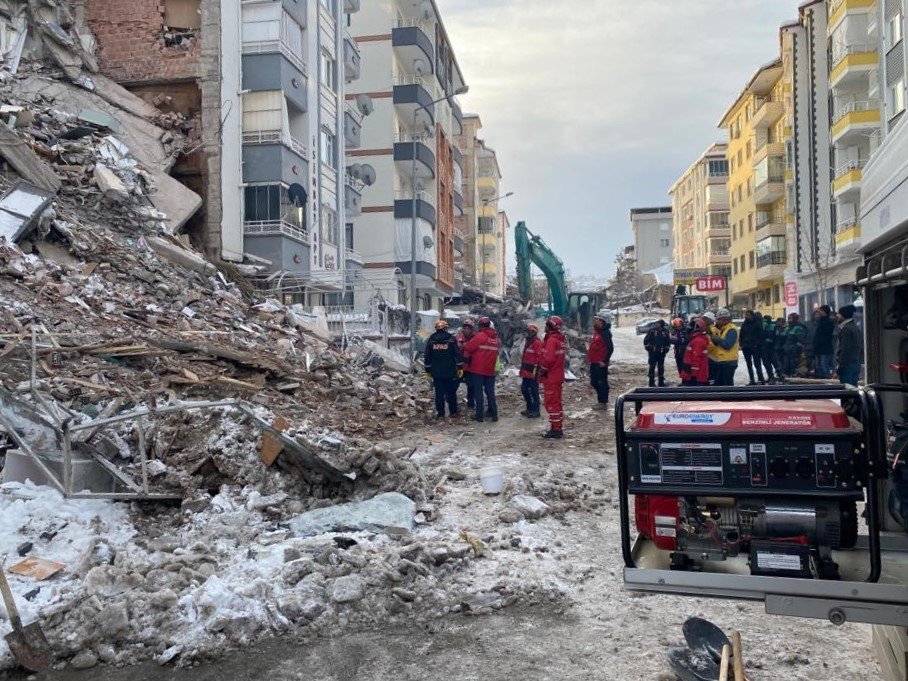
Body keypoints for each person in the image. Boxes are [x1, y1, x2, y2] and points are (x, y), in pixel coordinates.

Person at [463, 316, 500, 423]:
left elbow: (469, 347)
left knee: (478, 393)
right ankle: (494, 414)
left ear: (481, 325)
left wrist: (464, 345)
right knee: (490, 392)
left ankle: (479, 416)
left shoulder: (481, 336)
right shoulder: (494, 338)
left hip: (478, 370)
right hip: (490, 370)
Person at [424, 320, 461, 419]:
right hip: (450, 371)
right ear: (445, 328)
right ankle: (453, 412)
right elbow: (457, 354)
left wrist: (427, 370)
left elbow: (427, 356)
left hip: (437, 372)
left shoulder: (431, 340)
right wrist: (460, 367)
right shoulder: (451, 339)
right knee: (451, 393)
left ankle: (441, 413)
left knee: (439, 393)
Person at [539, 315, 567, 439]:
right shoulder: (559, 339)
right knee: (557, 402)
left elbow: (548, 359)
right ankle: (557, 426)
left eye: (546, 324)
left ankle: (556, 430)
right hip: (557, 375)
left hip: (551, 376)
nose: (544, 327)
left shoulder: (551, 341)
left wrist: (542, 370)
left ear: (550, 326)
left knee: (551, 403)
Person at [587, 311, 614, 409]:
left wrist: (605, 361)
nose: (595, 321)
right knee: (594, 381)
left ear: (601, 321)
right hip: (594, 362)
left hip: (600, 363)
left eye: (597, 319)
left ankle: (603, 402)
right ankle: (601, 401)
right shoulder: (598, 332)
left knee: (601, 382)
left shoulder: (605, 333)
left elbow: (610, 348)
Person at [708, 308, 740, 386]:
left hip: (729, 362)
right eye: (718, 320)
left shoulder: (731, 329)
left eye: (721, 320)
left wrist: (714, 337)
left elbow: (727, 345)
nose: (718, 322)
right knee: (721, 385)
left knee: (726, 385)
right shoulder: (723, 329)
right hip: (723, 361)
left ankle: (729, 397)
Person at [519, 324, 544, 418]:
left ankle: (536, 410)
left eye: (528, 332)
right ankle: (529, 408)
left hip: (533, 373)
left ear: (533, 333)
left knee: (534, 391)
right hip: (526, 372)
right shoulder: (528, 342)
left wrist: (535, 373)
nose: (526, 334)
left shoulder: (537, 343)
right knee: (524, 389)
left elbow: (539, 359)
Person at [835, 304, 863, 385]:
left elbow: (845, 348)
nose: (836, 316)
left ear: (843, 315)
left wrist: (840, 364)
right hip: (855, 362)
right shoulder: (854, 327)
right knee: (853, 388)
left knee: (846, 389)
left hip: (847, 364)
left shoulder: (846, 329)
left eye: (838, 314)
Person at [679, 317, 710, 386]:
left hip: (694, 376)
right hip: (693, 374)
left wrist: (693, 375)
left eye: (691, 326)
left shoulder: (698, 341)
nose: (689, 328)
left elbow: (696, 358)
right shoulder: (697, 339)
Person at [739, 310, 765, 385]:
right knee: (748, 364)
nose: (747, 316)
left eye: (748, 315)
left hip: (755, 347)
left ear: (752, 315)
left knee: (757, 364)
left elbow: (761, 335)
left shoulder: (757, 324)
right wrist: (741, 344)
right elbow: (741, 334)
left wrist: (758, 345)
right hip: (746, 347)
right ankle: (752, 379)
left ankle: (761, 379)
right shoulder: (744, 324)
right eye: (746, 315)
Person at [643, 319, 672, 387]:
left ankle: (661, 382)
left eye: (659, 324)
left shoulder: (665, 331)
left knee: (661, 367)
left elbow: (668, 342)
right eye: (657, 324)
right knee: (652, 366)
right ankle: (651, 382)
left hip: (661, 353)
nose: (657, 325)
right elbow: (646, 341)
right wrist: (649, 349)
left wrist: (666, 349)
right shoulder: (652, 331)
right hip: (653, 353)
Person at [455, 319, 476, 409]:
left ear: (472, 329)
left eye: (468, 328)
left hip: (471, 367)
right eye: (465, 328)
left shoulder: (476, 338)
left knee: (471, 386)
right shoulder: (458, 338)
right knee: (454, 384)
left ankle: (471, 404)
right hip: (460, 367)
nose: (466, 330)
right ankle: (451, 401)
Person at [813, 305, 836, 379]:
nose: (819, 312)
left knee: (825, 366)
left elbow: (826, 335)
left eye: (821, 310)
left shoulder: (828, 322)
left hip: (825, 348)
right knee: (819, 366)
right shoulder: (819, 321)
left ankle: (827, 380)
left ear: (825, 311)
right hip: (819, 348)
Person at [783, 312, 808, 378]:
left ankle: (793, 375)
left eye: (790, 318)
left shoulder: (798, 327)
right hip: (788, 349)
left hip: (794, 350)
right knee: (787, 363)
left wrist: (795, 347)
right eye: (788, 318)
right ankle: (788, 375)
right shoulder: (789, 327)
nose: (788, 320)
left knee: (793, 363)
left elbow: (800, 339)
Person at [761, 314, 778, 383]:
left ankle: (774, 377)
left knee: (772, 363)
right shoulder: (771, 326)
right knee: (769, 363)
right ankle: (772, 377)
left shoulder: (771, 326)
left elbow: (773, 337)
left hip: (770, 348)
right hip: (768, 348)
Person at [703, 311, 718, 383]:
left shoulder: (711, 329)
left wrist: (704, 350)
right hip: (712, 356)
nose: (703, 321)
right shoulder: (713, 329)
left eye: (705, 319)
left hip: (712, 356)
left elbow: (711, 344)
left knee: (711, 376)